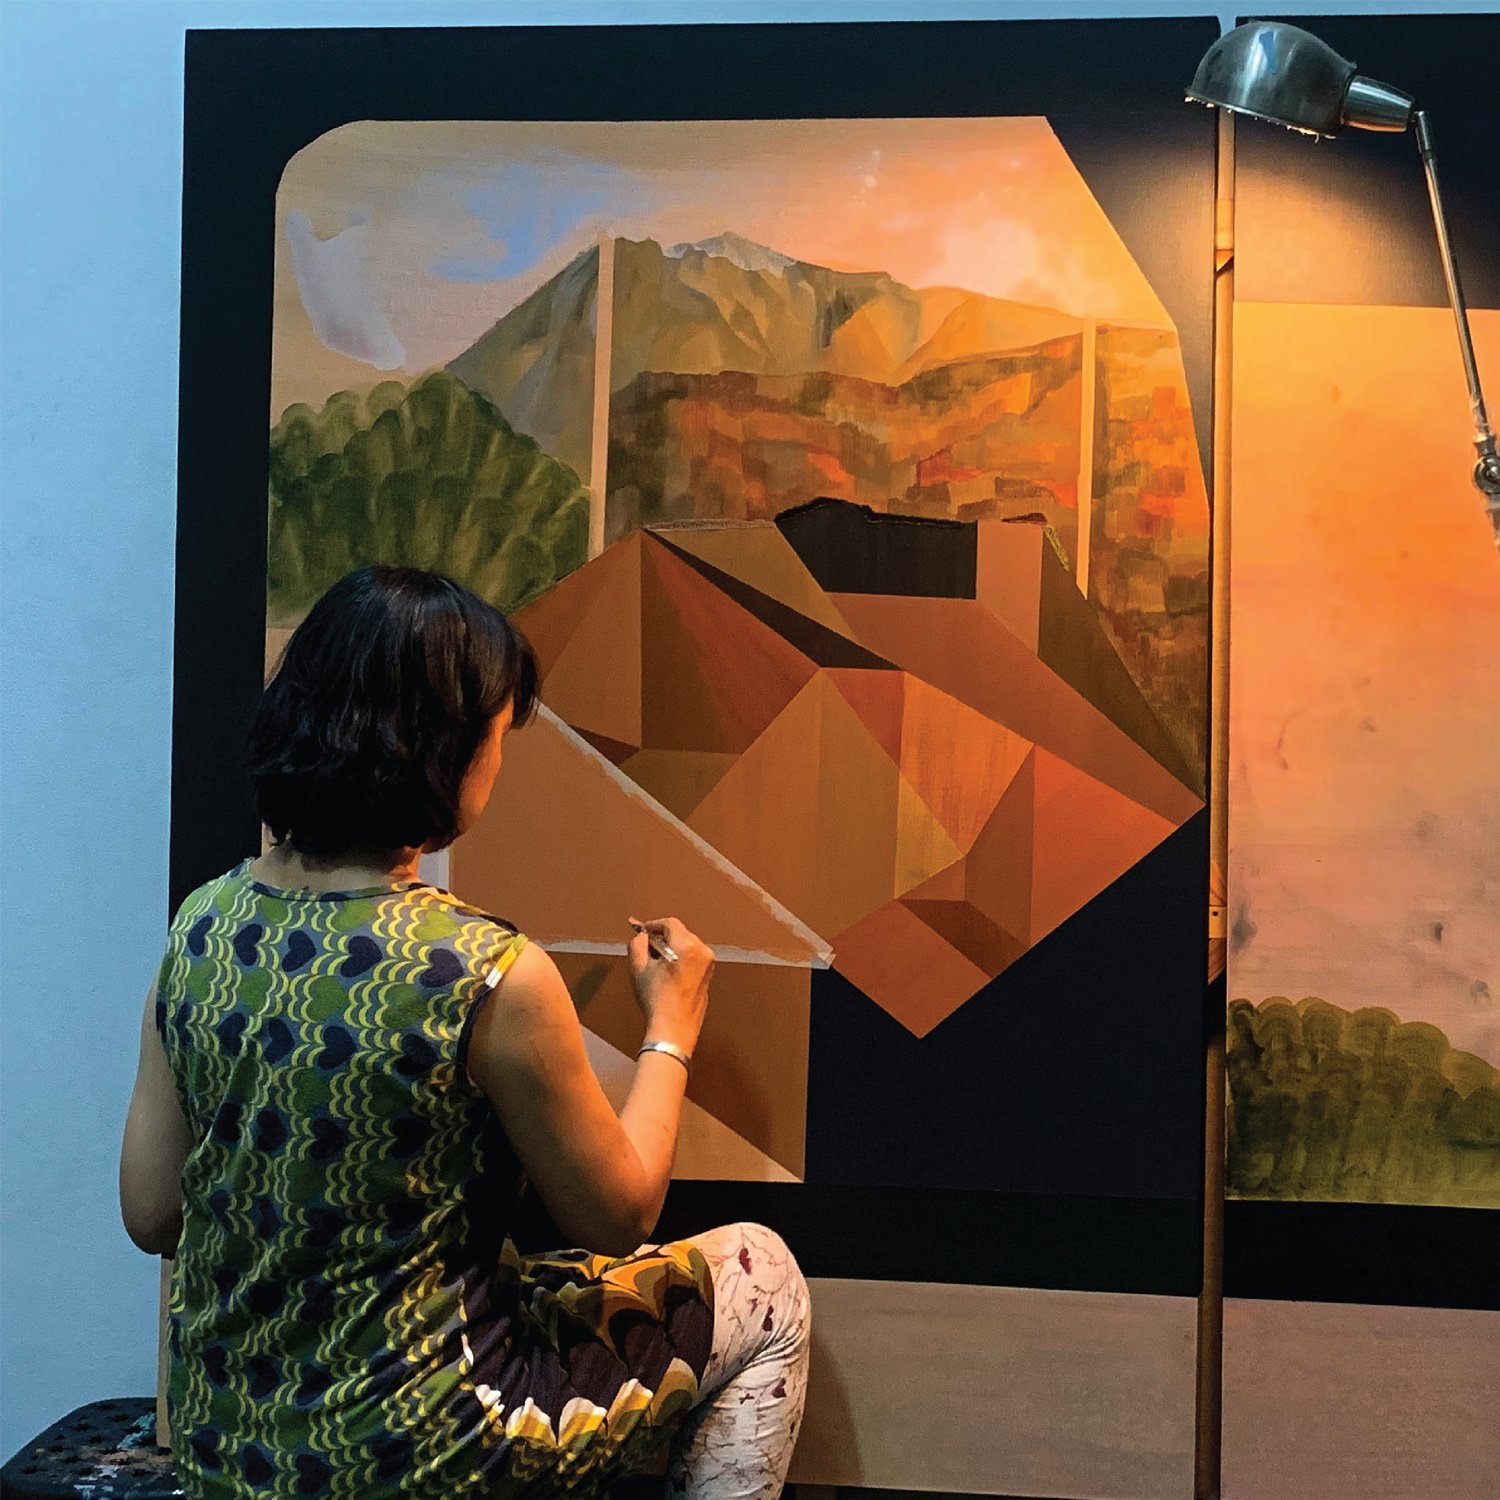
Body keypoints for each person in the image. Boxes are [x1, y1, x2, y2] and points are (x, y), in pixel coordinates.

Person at [119, 564, 810, 1499]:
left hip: (227, 1448)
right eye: (494, 735)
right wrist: (671, 1026)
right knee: (767, 1280)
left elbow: (151, 1213)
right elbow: (616, 1217)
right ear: (440, 750)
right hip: (420, 1452)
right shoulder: (484, 970)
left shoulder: (202, 924)